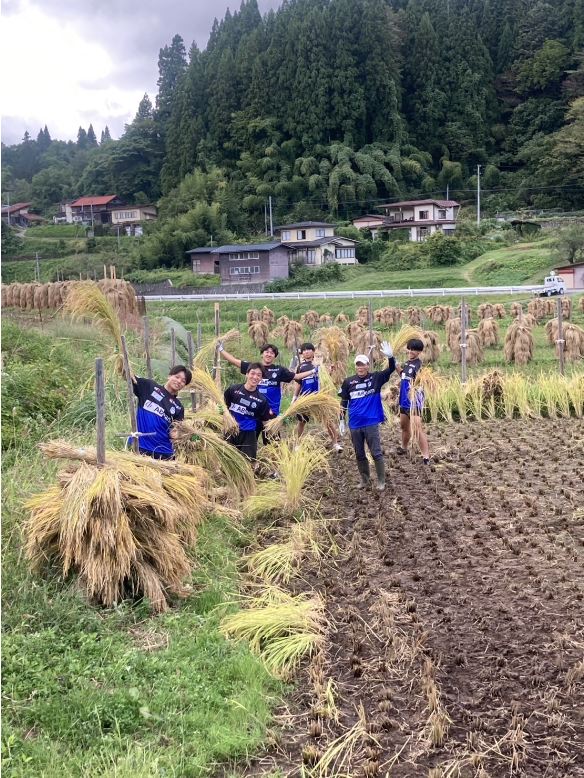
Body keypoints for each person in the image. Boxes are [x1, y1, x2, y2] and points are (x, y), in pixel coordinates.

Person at [339, 343, 395, 490]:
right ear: (355, 366)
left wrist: (390, 357)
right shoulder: (348, 382)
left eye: (363, 365)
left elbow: (391, 369)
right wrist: (341, 419)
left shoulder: (376, 378)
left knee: (375, 451)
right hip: (355, 423)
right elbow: (344, 402)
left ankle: (381, 481)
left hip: (370, 422)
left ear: (368, 366)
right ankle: (365, 480)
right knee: (359, 453)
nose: (360, 368)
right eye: (358, 365)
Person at [218, 342, 315, 416]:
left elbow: (297, 377)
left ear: (274, 356)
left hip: (271, 410)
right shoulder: (253, 367)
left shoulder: (279, 370)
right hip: (253, 407)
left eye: (272, 353)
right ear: (262, 354)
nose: (269, 354)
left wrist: (313, 371)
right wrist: (221, 350)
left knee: (271, 438)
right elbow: (234, 361)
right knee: (251, 432)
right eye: (266, 352)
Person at [129, 365, 192, 460]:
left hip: (163, 453)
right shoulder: (149, 387)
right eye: (177, 377)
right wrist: (122, 363)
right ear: (169, 376)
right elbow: (129, 375)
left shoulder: (178, 407)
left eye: (183, 381)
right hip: (140, 446)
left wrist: (185, 434)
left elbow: (173, 432)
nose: (179, 381)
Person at [292, 342, 343, 452]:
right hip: (305, 398)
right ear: (302, 354)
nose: (306, 352)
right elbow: (298, 383)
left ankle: (335, 443)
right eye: (304, 350)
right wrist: (295, 397)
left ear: (313, 351)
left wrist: (331, 370)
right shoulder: (301, 367)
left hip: (319, 397)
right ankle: (297, 444)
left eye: (308, 349)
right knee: (301, 422)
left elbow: (325, 379)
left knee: (328, 421)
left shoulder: (319, 364)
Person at [223, 362, 275, 460]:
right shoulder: (233, 390)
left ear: (261, 379)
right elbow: (223, 405)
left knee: (247, 464)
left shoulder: (262, 400)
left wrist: (274, 426)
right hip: (230, 430)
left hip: (248, 434)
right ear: (247, 374)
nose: (255, 377)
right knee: (228, 462)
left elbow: (265, 421)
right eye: (252, 373)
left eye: (259, 375)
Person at [396, 338, 430, 464]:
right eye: (409, 348)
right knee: (404, 426)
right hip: (404, 401)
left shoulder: (420, 366)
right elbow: (403, 375)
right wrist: (396, 366)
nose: (411, 351)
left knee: (417, 429)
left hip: (415, 402)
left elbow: (424, 382)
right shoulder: (407, 364)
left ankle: (426, 456)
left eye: (414, 350)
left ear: (420, 352)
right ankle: (403, 448)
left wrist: (416, 389)